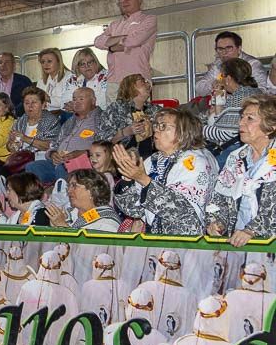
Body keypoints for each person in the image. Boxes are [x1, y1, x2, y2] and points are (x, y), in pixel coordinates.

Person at [114, 108, 217, 236]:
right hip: (155, 240)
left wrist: (143, 180)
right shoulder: (152, 161)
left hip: (184, 243)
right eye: (156, 125)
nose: (156, 129)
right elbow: (134, 211)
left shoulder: (195, 162)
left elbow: (180, 211)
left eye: (163, 126)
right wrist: (128, 179)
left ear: (182, 132)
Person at [206, 96, 276, 246]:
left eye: (249, 118)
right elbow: (219, 197)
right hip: (237, 243)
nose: (241, 122)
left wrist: (252, 230)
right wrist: (218, 221)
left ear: (270, 127)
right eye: (242, 117)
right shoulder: (236, 157)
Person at [25, 87, 103, 184]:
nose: (77, 102)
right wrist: (52, 154)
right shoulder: (70, 121)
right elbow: (55, 143)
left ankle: (62, 196)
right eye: (74, 99)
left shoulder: (101, 119)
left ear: (93, 101)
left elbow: (105, 146)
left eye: (81, 99)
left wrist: (84, 153)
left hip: (83, 164)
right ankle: (38, 196)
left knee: (62, 169)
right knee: (32, 167)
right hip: (59, 162)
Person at [93, 0, 157, 100]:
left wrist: (111, 44)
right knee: (113, 117)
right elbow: (98, 41)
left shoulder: (148, 20)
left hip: (137, 82)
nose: (124, 1)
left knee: (137, 117)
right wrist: (116, 45)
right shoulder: (114, 25)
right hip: (114, 81)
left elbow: (135, 40)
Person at [202, 58, 262, 164]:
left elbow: (227, 134)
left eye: (221, 76)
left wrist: (197, 129)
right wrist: (219, 103)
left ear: (228, 78)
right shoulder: (252, 92)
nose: (219, 80)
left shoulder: (240, 97)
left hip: (234, 151)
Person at [195, 31, 270, 98]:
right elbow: (199, 88)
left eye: (229, 48)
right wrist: (213, 84)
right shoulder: (217, 64)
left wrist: (234, 90)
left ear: (239, 48)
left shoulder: (252, 64)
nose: (224, 52)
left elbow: (262, 90)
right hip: (222, 106)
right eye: (220, 49)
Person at [95, 73, 156, 154]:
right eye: (142, 81)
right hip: (121, 158)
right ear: (130, 86)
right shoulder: (115, 109)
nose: (148, 84)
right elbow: (101, 143)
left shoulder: (154, 110)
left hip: (150, 159)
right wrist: (125, 132)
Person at [0, 52, 31, 117]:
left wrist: (12, 114)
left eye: (7, 62)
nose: (3, 65)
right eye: (0, 62)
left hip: (20, 120)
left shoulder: (24, 81)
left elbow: (27, 101)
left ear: (14, 65)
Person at [36, 47, 79, 115]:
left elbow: (69, 101)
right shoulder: (40, 81)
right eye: (43, 62)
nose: (45, 65)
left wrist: (49, 99)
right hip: (44, 116)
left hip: (64, 116)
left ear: (59, 61)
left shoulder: (71, 77)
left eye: (49, 61)